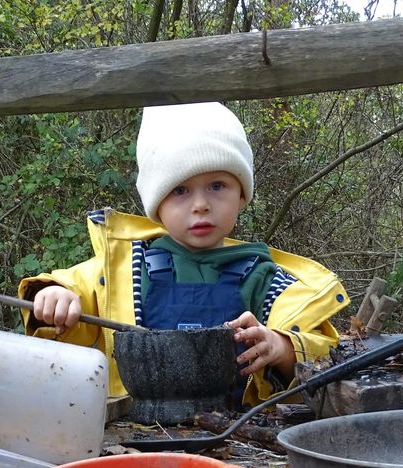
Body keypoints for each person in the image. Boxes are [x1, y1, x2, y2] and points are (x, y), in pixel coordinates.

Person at [19, 101, 350, 405]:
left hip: (237, 440)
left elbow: (326, 355)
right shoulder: (122, 270)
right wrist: (53, 297)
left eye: (218, 185)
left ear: (242, 196)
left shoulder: (265, 277)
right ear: (156, 206)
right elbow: (68, 293)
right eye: (179, 190)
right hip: (133, 441)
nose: (201, 204)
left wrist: (281, 347)